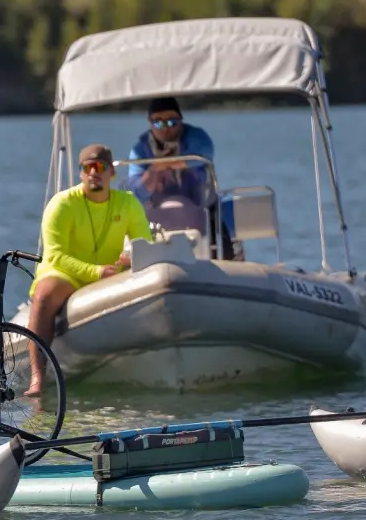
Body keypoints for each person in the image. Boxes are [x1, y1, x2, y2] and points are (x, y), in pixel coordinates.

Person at [25, 144, 152, 396]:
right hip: (66, 273)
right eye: (88, 167)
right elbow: (55, 255)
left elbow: (145, 244)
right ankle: (37, 377)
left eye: (100, 166)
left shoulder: (127, 202)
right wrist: (95, 272)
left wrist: (130, 257)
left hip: (110, 274)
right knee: (43, 296)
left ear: (111, 173)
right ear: (81, 173)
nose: (94, 172)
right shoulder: (61, 203)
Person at [124, 97, 240, 260]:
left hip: (200, 206)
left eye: (171, 122)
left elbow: (202, 156)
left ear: (180, 121)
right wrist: (155, 169)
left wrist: (168, 162)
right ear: (150, 123)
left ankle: (225, 261)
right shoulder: (139, 150)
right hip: (156, 212)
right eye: (158, 123)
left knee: (219, 230)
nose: (165, 129)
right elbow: (137, 190)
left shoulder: (197, 137)